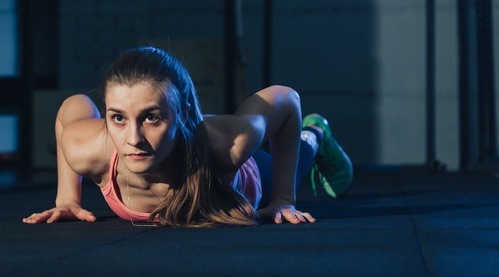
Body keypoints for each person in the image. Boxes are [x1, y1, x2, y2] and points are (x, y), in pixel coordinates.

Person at [23, 46, 353, 227]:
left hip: (247, 173)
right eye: (118, 118)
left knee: (298, 164)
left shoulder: (228, 145)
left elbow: (286, 99)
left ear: (181, 113)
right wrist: (67, 198)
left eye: (151, 117)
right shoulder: (87, 149)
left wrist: (283, 199)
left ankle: (316, 132)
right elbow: (73, 106)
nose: (133, 139)